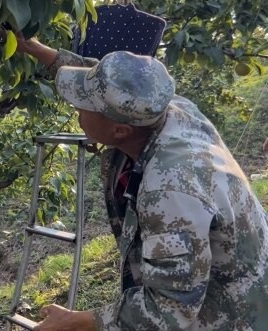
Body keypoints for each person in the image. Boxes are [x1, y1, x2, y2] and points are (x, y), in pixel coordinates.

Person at [16, 36, 268, 331]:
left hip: (232, 316)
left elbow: (168, 310)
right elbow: (116, 82)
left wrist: (76, 322)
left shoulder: (170, 190)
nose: (76, 108)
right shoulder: (164, 107)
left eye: (84, 106)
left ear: (119, 131)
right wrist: (32, 47)